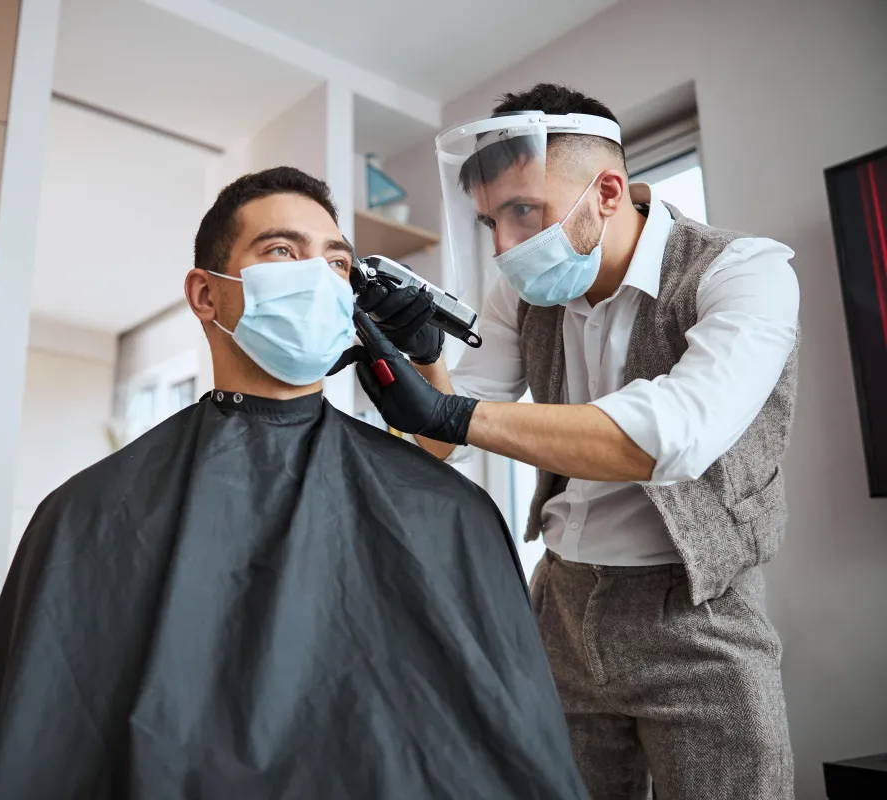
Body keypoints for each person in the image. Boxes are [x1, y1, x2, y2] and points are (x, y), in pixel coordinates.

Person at [0, 167, 587, 799]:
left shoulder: (450, 512)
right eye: (282, 250)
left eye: (337, 262)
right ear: (206, 294)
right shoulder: (86, 516)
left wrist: (430, 369)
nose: (318, 277)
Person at [341, 84, 799, 799]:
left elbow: (671, 437)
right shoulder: (523, 293)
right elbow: (440, 441)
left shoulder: (744, 273)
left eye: (523, 212)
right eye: (490, 220)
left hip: (697, 616)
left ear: (607, 192)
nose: (503, 246)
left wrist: (449, 413)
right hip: (558, 603)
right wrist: (425, 356)